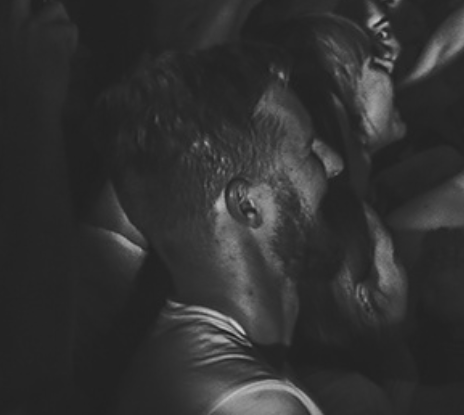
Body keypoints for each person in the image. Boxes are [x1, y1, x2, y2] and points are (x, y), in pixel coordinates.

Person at [100, 43, 347, 414]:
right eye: (309, 150)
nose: (336, 163)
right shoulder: (254, 406)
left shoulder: (196, 365)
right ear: (247, 205)